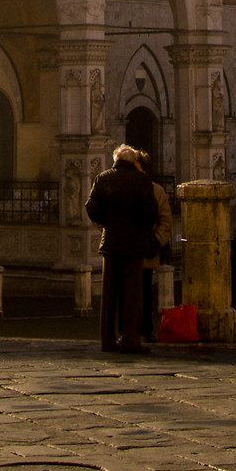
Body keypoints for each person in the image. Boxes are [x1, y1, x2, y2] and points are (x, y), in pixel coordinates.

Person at [85, 143, 159, 354]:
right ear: (133, 161)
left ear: (116, 159)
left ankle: (107, 340)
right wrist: (141, 228)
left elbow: (91, 207)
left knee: (109, 294)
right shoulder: (142, 180)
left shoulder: (103, 178)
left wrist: (106, 222)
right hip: (134, 244)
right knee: (133, 294)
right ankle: (130, 339)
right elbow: (151, 211)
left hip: (111, 242)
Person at [135, 150, 175, 339]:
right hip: (124, 249)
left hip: (146, 249)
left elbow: (166, 220)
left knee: (145, 290)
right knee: (123, 291)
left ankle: (145, 329)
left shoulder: (155, 190)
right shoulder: (120, 186)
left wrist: (155, 241)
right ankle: (127, 330)